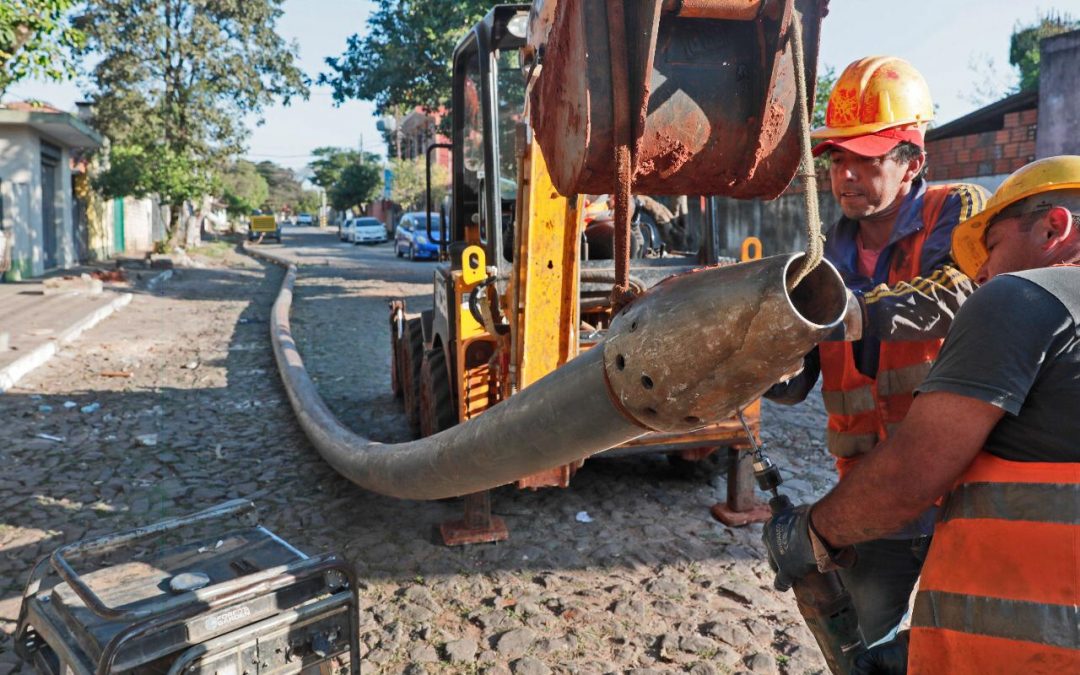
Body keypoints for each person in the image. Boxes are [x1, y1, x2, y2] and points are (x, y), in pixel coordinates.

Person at [763, 155, 1080, 674]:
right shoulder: (828, 251)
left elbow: (911, 473)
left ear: (1053, 228)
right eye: (836, 159)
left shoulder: (1023, 294)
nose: (980, 271)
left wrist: (812, 533)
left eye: (993, 247)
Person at [759, 56, 989, 644]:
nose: (847, 176)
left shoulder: (956, 212)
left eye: (868, 158)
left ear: (914, 160)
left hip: (959, 483)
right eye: (838, 159)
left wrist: (847, 313)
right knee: (869, 641)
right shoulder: (821, 254)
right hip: (870, 497)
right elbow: (798, 381)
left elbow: (955, 293)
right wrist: (759, 365)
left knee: (961, 642)